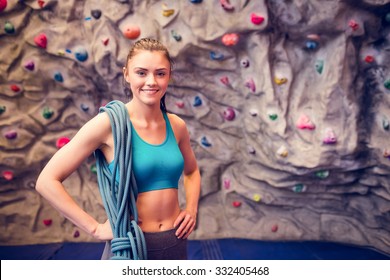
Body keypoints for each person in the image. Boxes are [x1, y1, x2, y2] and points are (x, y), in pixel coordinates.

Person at [36, 38, 201, 260]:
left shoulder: (177, 126)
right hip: (131, 246)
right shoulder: (108, 124)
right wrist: (94, 228)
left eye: (160, 73)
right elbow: (47, 181)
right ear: (127, 74)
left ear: (169, 76)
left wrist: (191, 209)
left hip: (175, 242)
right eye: (141, 73)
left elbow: (191, 172)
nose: (151, 81)